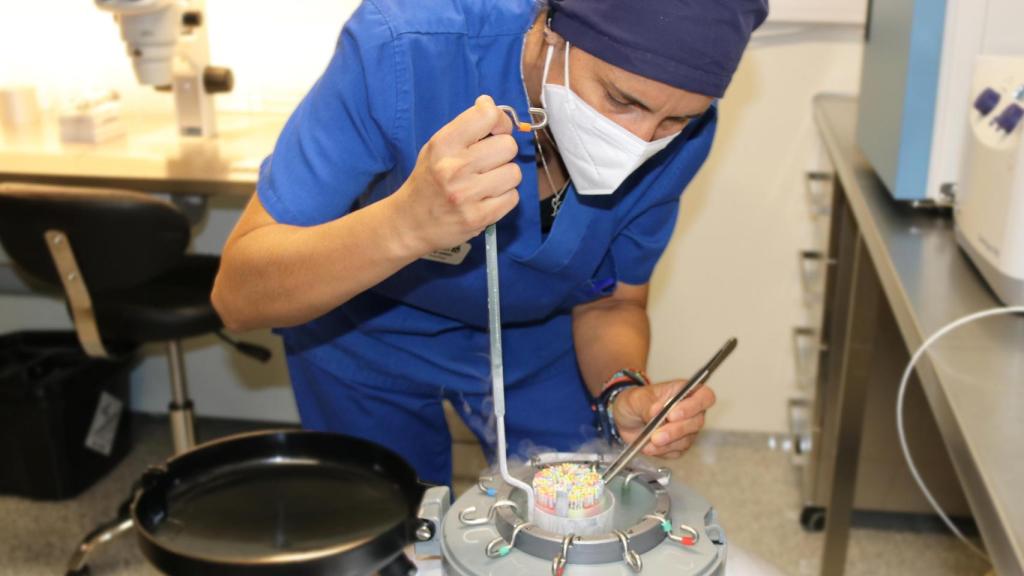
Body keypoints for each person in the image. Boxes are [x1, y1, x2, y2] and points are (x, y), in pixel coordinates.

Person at [213, 0, 769, 488]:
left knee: (572, 521)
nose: (638, 141)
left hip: (535, 341)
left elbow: (612, 302)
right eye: (621, 100)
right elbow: (237, 296)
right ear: (551, 28)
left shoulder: (686, 130)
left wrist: (620, 391)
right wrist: (405, 224)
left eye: (675, 119)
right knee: (394, 533)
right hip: (364, 332)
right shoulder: (403, 46)